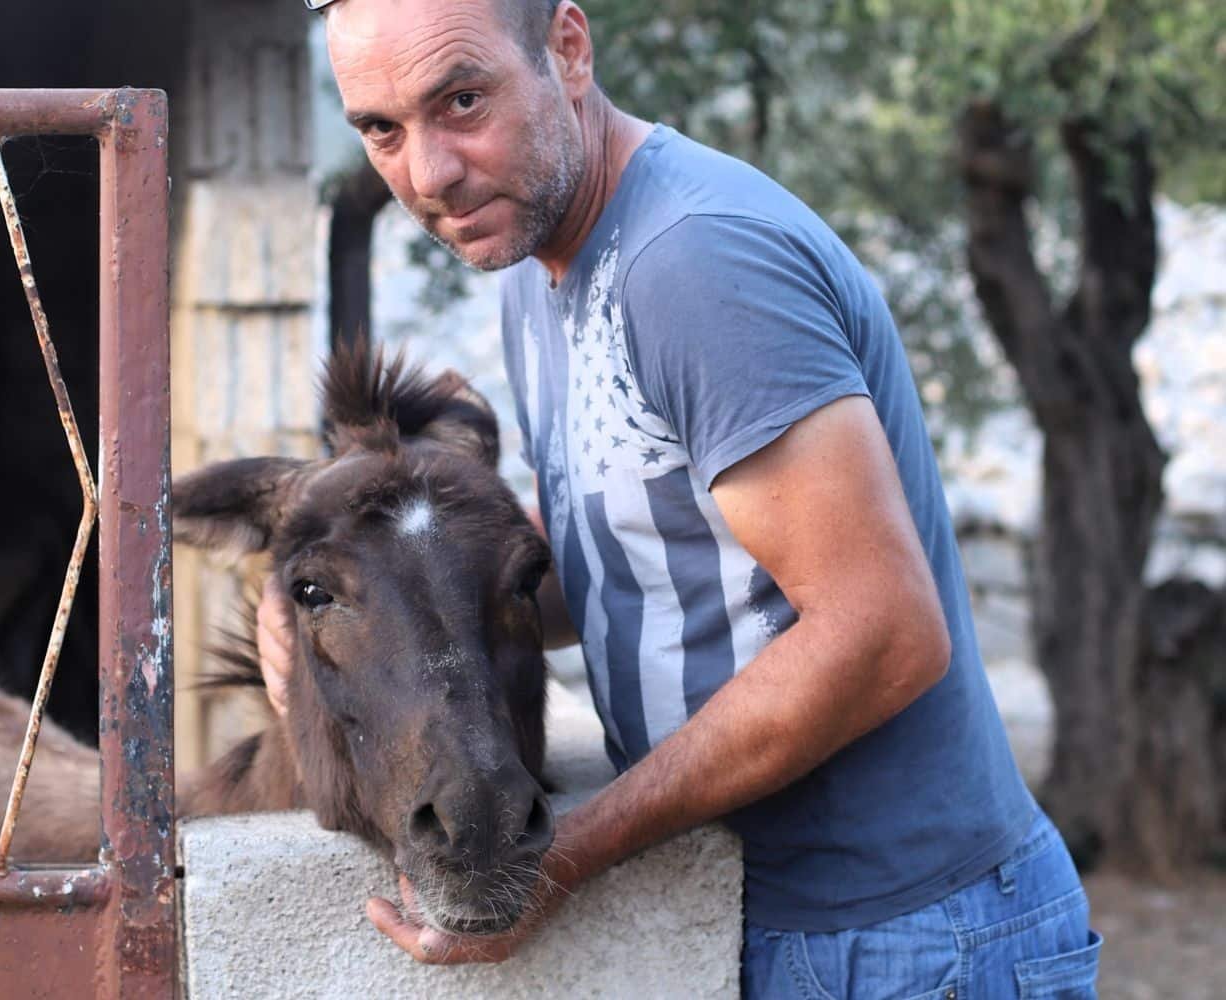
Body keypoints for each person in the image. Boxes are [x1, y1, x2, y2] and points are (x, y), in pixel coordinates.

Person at [256, 0, 1102, 994]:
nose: (430, 173)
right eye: (382, 129)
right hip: (789, 924)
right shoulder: (536, 261)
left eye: (464, 101)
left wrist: (561, 857)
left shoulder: (691, 263)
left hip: (907, 944)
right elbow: (629, 563)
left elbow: (883, 634)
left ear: (569, 49)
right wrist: (329, 614)